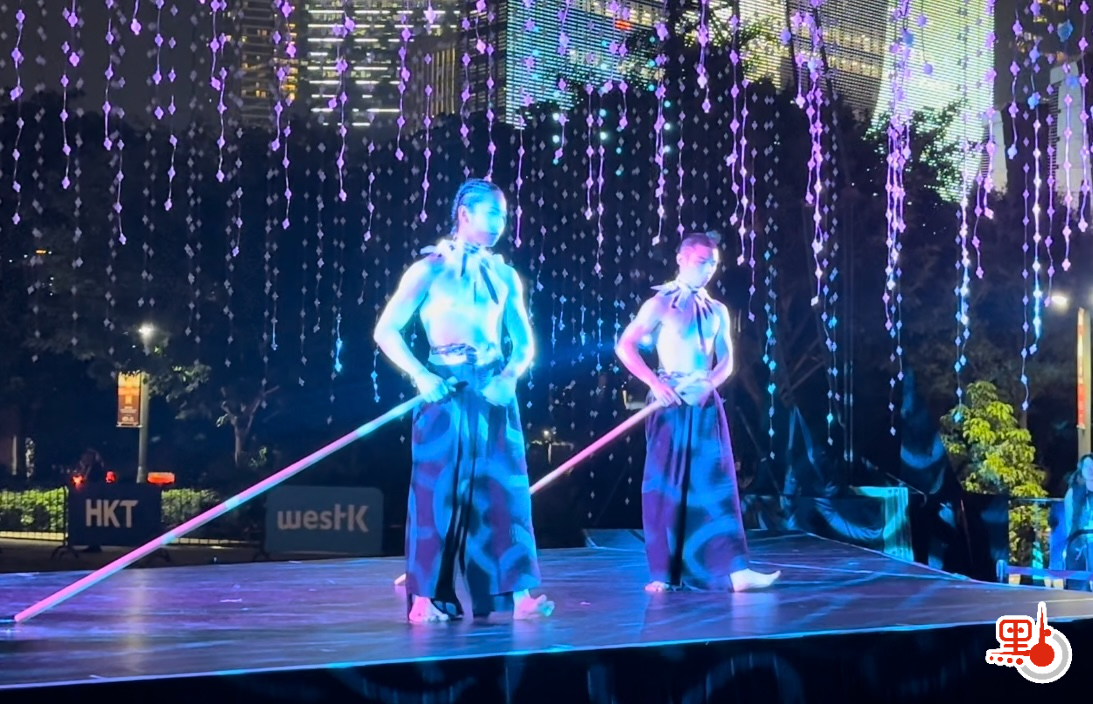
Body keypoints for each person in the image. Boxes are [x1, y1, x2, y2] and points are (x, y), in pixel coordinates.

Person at [373, 178, 554, 624]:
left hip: (493, 391)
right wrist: (421, 375)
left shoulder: (504, 276)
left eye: (504, 216)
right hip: (446, 389)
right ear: (464, 214)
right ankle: (425, 600)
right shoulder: (429, 269)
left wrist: (509, 377)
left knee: (505, 495)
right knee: (437, 495)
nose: (500, 223)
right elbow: (386, 330)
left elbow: (524, 342)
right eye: (491, 213)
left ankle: (517, 595)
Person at [614, 231, 780, 593]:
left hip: (704, 401)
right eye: (702, 262)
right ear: (682, 259)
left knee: (716, 484)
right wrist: (655, 384)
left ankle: (736, 570)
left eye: (713, 264)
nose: (708, 270)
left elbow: (727, 361)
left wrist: (709, 384)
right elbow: (625, 346)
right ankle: (663, 572)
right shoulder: (660, 303)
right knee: (667, 485)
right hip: (669, 402)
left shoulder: (717, 310)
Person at [1062, 454, 1093, 591]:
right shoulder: (1073, 492)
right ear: (1081, 469)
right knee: (1079, 586)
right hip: (1079, 544)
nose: (1090, 470)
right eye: (1087, 466)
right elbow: (1069, 522)